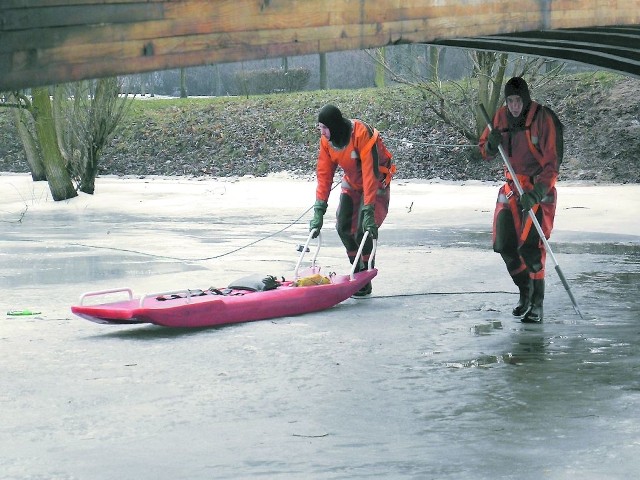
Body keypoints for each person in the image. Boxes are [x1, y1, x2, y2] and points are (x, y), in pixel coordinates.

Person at [479, 77, 560, 323]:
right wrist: (490, 146)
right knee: (504, 244)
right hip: (512, 187)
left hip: (538, 188)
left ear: (525, 99)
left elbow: (552, 163)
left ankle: (537, 304)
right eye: (510, 101)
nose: (514, 106)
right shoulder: (501, 117)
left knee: (531, 248)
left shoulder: (543, 119)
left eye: (517, 101)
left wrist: (537, 192)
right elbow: (484, 149)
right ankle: (525, 291)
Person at [309, 104, 396, 297]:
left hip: (375, 182)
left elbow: (370, 173)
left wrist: (368, 210)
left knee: (362, 231)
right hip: (353, 182)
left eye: (324, 127)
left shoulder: (361, 133)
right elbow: (324, 174)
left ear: (334, 125)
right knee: (343, 227)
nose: (321, 132)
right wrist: (319, 210)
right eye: (320, 128)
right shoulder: (327, 142)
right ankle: (357, 271)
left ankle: (365, 278)